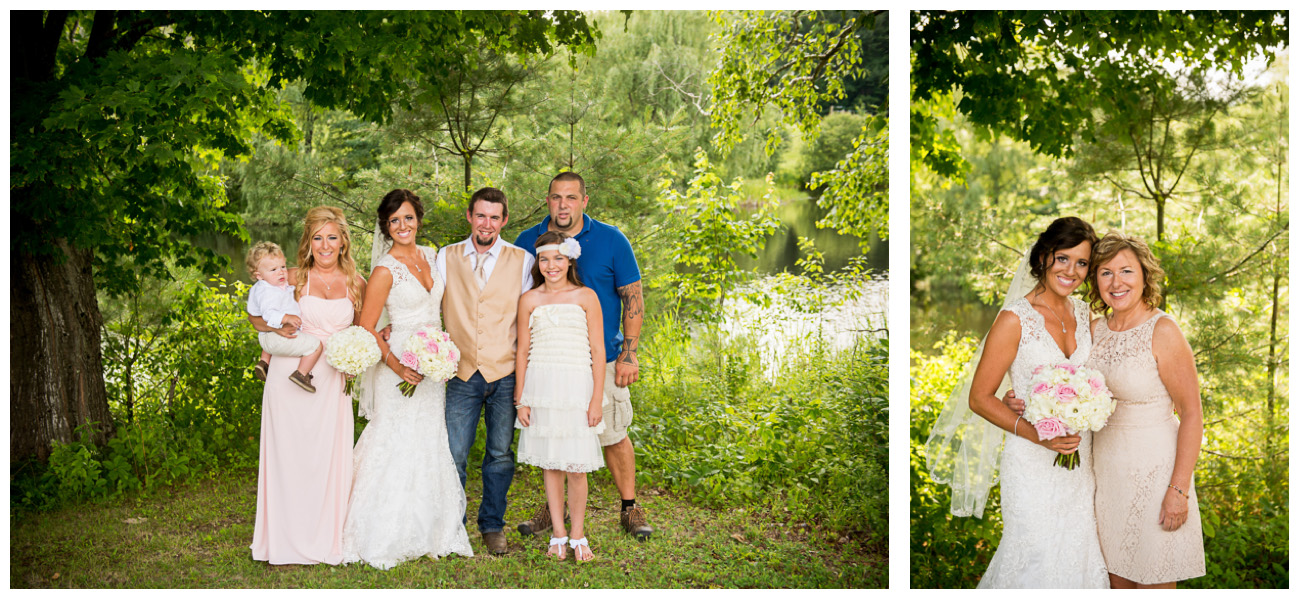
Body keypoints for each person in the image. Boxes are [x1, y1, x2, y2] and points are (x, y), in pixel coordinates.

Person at [924, 216, 1108, 587]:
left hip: (1080, 465)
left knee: (1079, 557)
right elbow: (979, 398)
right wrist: (1037, 433)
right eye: (1063, 258)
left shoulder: (1088, 315)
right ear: (1043, 257)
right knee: (1035, 558)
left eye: (1082, 262)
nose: (1071, 271)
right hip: (1031, 465)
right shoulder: (1014, 320)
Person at [340, 189, 474, 569]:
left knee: (429, 440)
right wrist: (399, 367)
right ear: (386, 226)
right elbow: (367, 328)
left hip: (433, 365)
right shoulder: (385, 270)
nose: (403, 226)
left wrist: (440, 356)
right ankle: (382, 530)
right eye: (394, 220)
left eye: (409, 218)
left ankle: (433, 530)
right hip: (398, 363)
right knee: (395, 440)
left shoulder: (432, 256)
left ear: (418, 219)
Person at [514, 172, 652, 540]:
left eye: (571, 198)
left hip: (601, 358)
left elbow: (633, 297)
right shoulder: (527, 242)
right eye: (557, 197)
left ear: (584, 201)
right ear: (548, 200)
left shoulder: (610, 239)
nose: (563, 205)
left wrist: (629, 353)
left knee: (612, 431)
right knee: (554, 433)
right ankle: (552, 510)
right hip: (549, 361)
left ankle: (629, 507)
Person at [1082, 232, 1205, 587]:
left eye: (1126, 271)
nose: (1116, 282)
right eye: (1105, 273)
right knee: (1115, 583)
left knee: (1154, 582)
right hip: (1105, 479)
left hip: (1157, 476)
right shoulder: (1095, 330)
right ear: (1095, 282)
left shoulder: (1162, 330)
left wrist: (1178, 490)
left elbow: (1192, 415)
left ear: (1145, 276)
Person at [249, 206, 366, 565]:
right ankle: (284, 539)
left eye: (332, 236)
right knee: (290, 457)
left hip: (331, 380)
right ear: (309, 242)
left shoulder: (357, 283)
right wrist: (274, 328)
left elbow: (362, 330)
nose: (325, 245)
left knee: (326, 459)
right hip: (290, 377)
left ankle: (324, 536)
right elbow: (255, 315)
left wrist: (356, 359)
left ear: (343, 240)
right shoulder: (293, 277)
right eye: (318, 237)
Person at [435, 186, 535, 555]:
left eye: (495, 217)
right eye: (481, 215)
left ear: (504, 220)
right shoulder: (445, 257)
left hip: (505, 371)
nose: (487, 223)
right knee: (454, 453)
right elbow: (428, 305)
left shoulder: (522, 260)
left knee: (499, 455)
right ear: (469, 217)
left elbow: (530, 317)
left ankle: (492, 525)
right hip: (460, 374)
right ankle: (453, 525)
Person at [514, 232, 606, 562]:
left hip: (577, 388)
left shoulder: (586, 296)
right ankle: (558, 533)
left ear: (569, 260)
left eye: (558, 258)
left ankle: (579, 535)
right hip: (542, 387)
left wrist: (596, 399)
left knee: (576, 467)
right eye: (544, 259)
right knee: (551, 463)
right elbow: (523, 350)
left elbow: (597, 349)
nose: (551, 266)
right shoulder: (529, 299)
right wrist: (521, 398)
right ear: (537, 263)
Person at [245, 241, 324, 392]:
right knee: (315, 346)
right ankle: (301, 374)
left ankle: (263, 361)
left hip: (267, 336)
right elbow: (268, 313)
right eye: (273, 269)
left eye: (283, 267)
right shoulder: (267, 291)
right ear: (258, 275)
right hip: (275, 336)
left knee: (273, 332)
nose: (281, 272)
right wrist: (286, 317)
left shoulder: (271, 285)